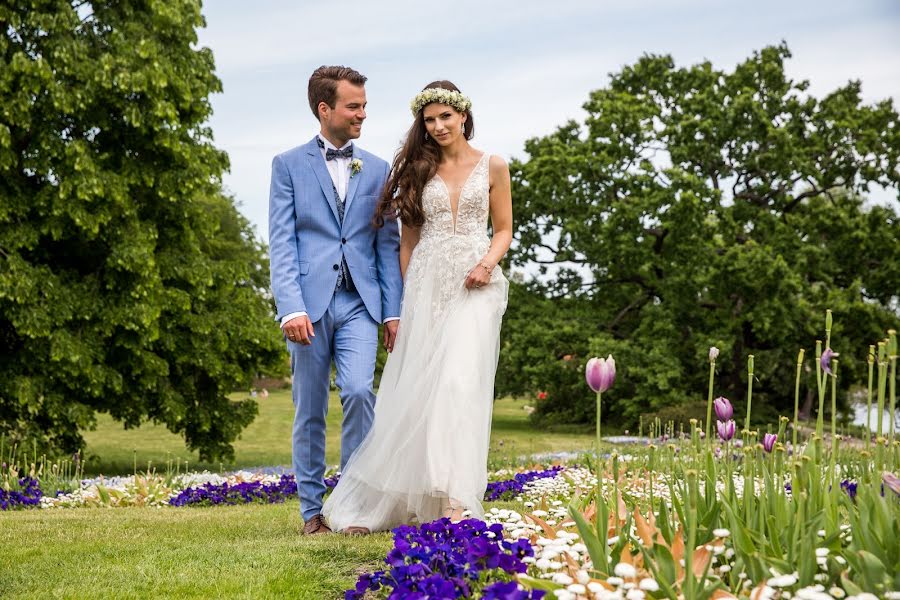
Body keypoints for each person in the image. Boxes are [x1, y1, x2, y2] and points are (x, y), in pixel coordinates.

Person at [322, 80, 512, 534]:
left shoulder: (494, 165)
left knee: (458, 385)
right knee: (420, 393)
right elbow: (407, 244)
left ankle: (456, 500)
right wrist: (405, 304)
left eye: (445, 116)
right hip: (427, 286)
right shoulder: (415, 169)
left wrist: (487, 264)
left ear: (463, 115)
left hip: (476, 284)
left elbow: (503, 230)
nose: (438, 125)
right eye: (429, 120)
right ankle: (398, 498)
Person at [268, 66, 403, 535]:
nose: (362, 113)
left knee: (361, 393)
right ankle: (312, 512)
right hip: (308, 306)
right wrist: (291, 306)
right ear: (325, 109)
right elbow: (281, 241)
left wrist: (392, 311)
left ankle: (354, 508)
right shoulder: (287, 165)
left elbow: (386, 245)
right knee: (309, 409)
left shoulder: (380, 169)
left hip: (360, 303)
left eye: (364, 105)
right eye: (354, 106)